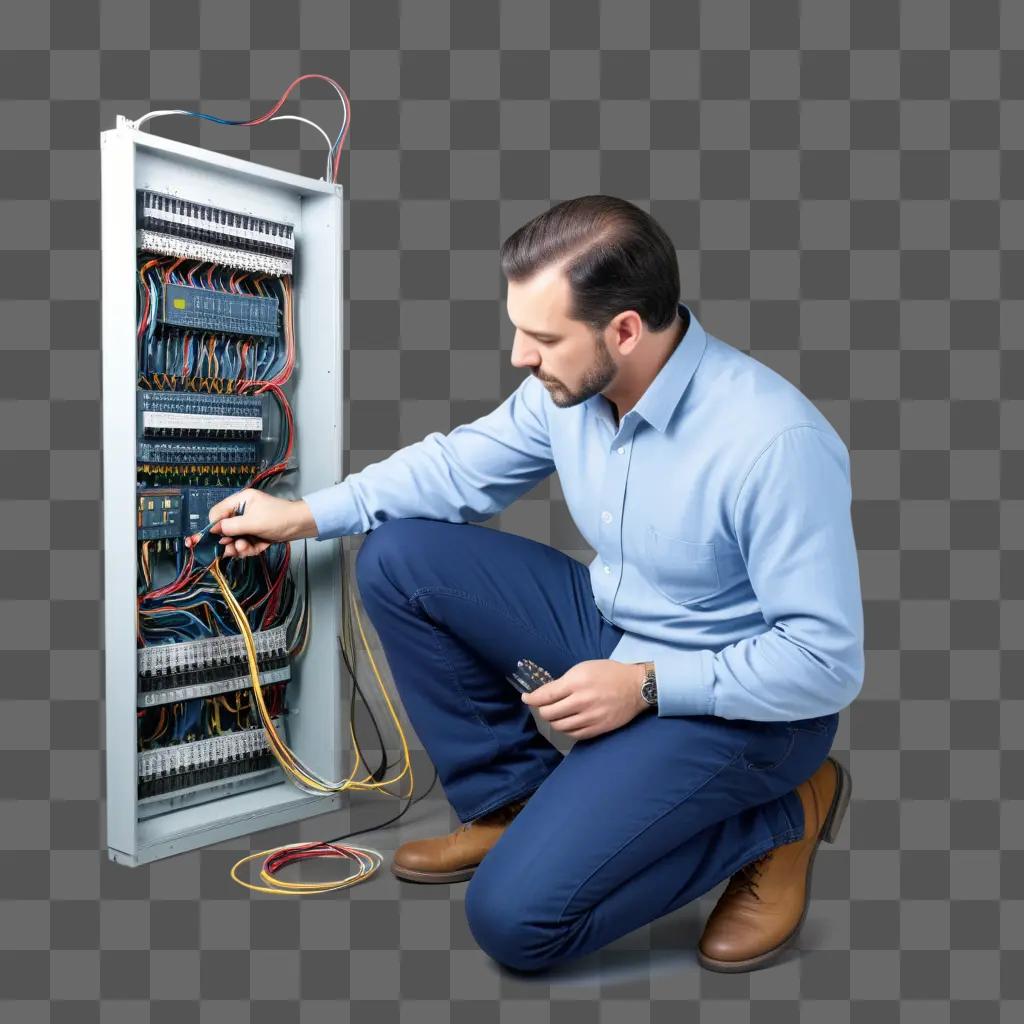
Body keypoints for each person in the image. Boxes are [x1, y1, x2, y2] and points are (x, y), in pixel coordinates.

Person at [198, 195, 862, 974]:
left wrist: (645, 685)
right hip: (620, 630)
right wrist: (304, 515)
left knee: (516, 923)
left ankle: (783, 816)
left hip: (743, 708)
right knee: (400, 557)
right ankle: (510, 803)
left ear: (624, 330)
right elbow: (455, 467)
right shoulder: (575, 391)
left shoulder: (773, 443)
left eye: (542, 337)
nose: (520, 355)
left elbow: (825, 664)